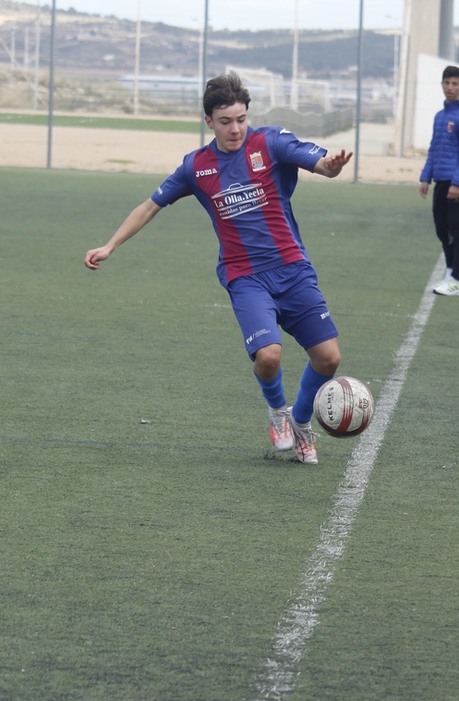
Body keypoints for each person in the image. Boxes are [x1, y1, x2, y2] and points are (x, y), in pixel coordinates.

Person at [84, 74, 353, 465]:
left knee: (328, 359)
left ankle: (300, 422)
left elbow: (323, 165)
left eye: (241, 118)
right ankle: (277, 411)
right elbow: (149, 206)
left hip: (293, 269)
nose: (236, 128)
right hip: (245, 276)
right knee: (269, 355)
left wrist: (331, 166)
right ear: (209, 120)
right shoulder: (197, 166)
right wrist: (110, 244)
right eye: (226, 121)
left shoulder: (272, 143)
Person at [420, 65, 459, 297]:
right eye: (447, 83)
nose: (450, 88)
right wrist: (426, 177)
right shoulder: (440, 116)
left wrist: (457, 183)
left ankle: (456, 280)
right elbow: (434, 149)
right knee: (442, 230)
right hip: (441, 182)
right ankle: (448, 272)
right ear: (442, 84)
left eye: (455, 84)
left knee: (458, 231)